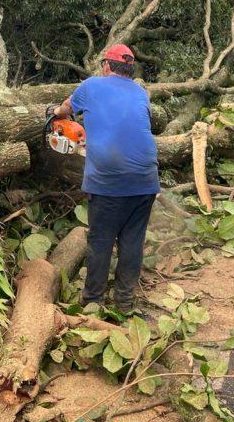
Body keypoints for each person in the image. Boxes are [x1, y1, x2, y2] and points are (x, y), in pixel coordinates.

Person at [52, 43, 159, 313]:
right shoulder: (141, 93)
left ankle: (92, 303)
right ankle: (124, 304)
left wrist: (54, 113)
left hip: (109, 181)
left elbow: (64, 110)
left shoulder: (90, 86)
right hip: (146, 179)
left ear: (107, 66)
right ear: (129, 69)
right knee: (132, 242)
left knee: (100, 241)